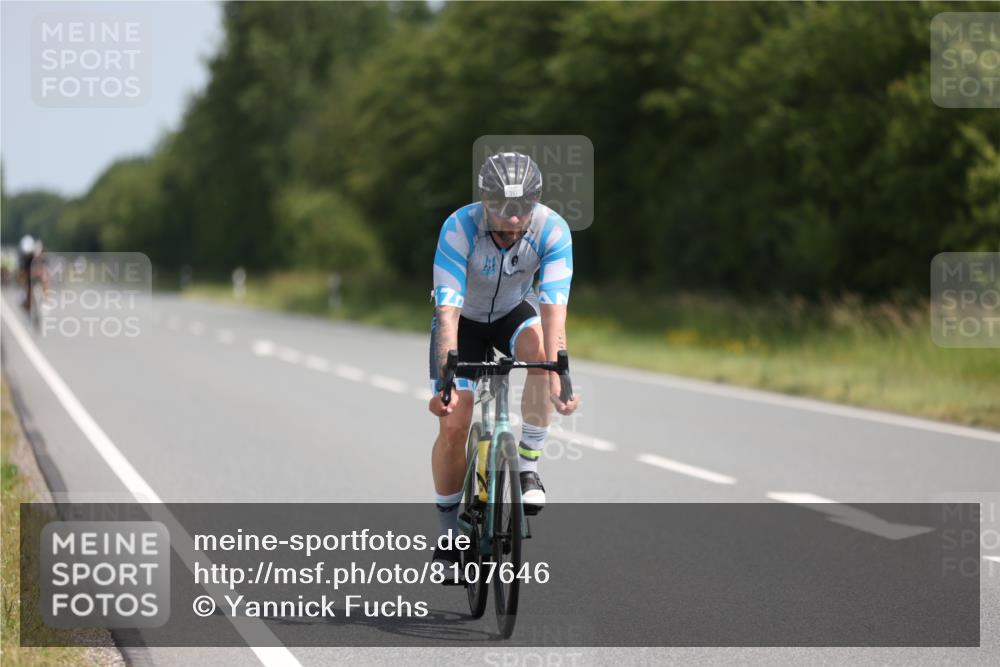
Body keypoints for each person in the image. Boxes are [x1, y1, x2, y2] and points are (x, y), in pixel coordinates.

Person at [428, 152, 580, 567]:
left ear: (536, 203)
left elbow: (553, 312)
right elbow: (447, 312)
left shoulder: (552, 230)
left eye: (523, 209)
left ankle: (527, 467)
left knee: (540, 357)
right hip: (464, 322)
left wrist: (559, 375)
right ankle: (447, 529)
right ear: (484, 200)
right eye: (503, 209)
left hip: (514, 313)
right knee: (455, 422)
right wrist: (446, 381)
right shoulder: (459, 228)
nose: (513, 220)